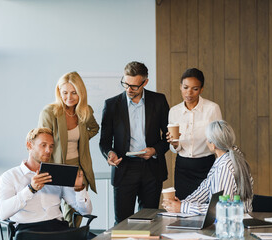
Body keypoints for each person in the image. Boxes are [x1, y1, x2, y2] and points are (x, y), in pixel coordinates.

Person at [99, 61, 169, 224]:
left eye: (134, 86)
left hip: (151, 169)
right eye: (125, 84)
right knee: (122, 223)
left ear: (145, 82)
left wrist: (155, 150)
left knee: (149, 221)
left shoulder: (159, 101)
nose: (128, 89)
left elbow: (168, 137)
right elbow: (104, 141)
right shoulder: (111, 105)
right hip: (124, 168)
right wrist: (109, 154)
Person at [0, 127, 92, 233]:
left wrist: (79, 189)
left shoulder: (58, 173)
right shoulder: (9, 176)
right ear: (29, 145)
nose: (48, 150)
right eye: (43, 145)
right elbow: (2, 213)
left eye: (51, 146)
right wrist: (30, 189)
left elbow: (85, 211)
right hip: (28, 231)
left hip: (58, 229)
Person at [38, 71, 99, 226]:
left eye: (74, 93)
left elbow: (94, 128)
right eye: (65, 92)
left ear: (81, 93)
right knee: (55, 212)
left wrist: (83, 138)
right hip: (56, 167)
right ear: (59, 92)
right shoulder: (50, 112)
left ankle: (72, 236)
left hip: (78, 167)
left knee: (77, 211)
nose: (69, 97)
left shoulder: (85, 111)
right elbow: (43, 141)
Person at [162, 120, 253, 214]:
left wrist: (182, 208)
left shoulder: (225, 166)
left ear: (213, 145)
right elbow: (205, 189)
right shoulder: (227, 158)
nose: (206, 142)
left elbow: (220, 208)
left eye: (207, 139)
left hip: (233, 223)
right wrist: (181, 204)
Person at [167, 68, 222, 200]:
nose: (189, 93)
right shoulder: (174, 111)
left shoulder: (212, 109)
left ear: (201, 89)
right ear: (180, 87)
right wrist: (174, 144)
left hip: (206, 165)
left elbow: (220, 139)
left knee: (207, 206)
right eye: (185, 87)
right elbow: (175, 148)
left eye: (195, 89)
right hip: (183, 167)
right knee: (183, 207)